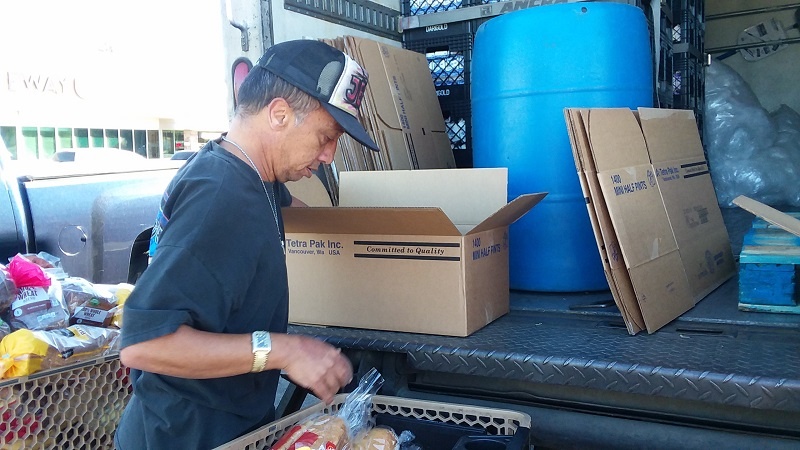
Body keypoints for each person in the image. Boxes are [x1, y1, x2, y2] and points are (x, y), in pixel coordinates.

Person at [115, 39, 380, 449]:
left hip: (231, 429)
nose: (329, 155)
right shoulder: (221, 198)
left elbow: (297, 212)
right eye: (326, 136)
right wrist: (284, 351)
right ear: (279, 114)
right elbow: (145, 344)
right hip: (183, 435)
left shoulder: (255, 176)